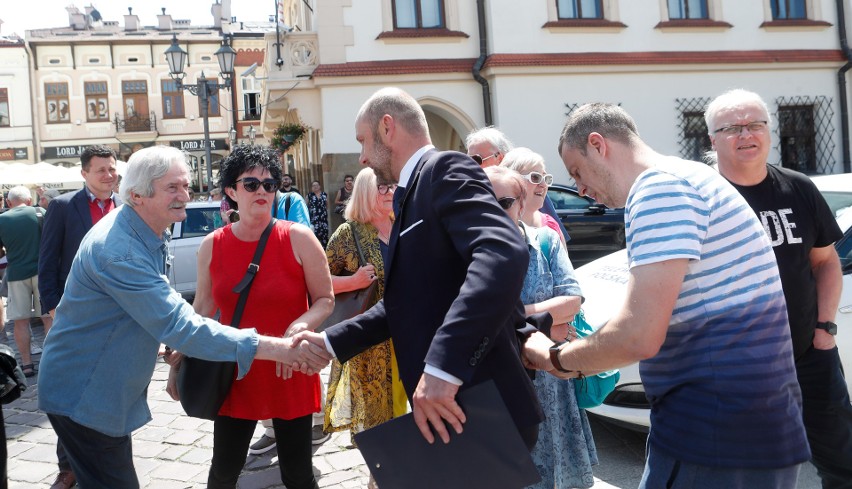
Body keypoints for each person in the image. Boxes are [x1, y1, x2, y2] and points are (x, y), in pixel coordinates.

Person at [523, 102, 810, 488]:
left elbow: (638, 334)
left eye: (577, 171)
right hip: (743, 425)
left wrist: (553, 358)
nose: (580, 189)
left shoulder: (660, 189)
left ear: (598, 144)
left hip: (716, 431)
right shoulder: (685, 176)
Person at [37, 145, 331, 489]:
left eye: (185, 186)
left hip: (103, 392)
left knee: (298, 473)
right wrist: (280, 348)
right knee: (219, 471)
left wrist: (296, 331)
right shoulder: (123, 249)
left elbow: (173, 313)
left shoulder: (143, 230)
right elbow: (185, 321)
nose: (184, 196)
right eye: (172, 188)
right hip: (89, 393)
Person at [300, 87, 546, 450]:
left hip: (480, 405)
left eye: (363, 141)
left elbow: (502, 253)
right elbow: (407, 300)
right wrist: (331, 342)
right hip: (451, 412)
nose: (363, 157)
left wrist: (444, 368)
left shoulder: (445, 169)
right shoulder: (410, 190)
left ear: (388, 128)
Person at [706, 89, 852, 488]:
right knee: (749, 470)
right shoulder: (701, 198)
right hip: (737, 365)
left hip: (809, 353)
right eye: (732, 128)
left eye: (755, 124)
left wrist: (825, 331)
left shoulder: (798, 187)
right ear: (712, 139)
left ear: (769, 132)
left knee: (843, 459)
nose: (746, 134)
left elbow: (825, 262)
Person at [165, 144, 333, 489]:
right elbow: (203, 313)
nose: (263, 191)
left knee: (299, 475)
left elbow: (325, 299)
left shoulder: (299, 237)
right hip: (234, 370)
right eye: (252, 184)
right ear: (231, 191)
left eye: (270, 185)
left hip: (290, 368)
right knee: (223, 473)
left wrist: (301, 325)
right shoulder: (213, 244)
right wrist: (178, 361)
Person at [485, 166, 596, 488]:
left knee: (552, 474)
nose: (494, 211)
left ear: (521, 204)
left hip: (549, 384)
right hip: (499, 383)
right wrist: (546, 324)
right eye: (484, 202)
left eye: (503, 202)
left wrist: (511, 317)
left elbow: (572, 300)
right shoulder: (470, 253)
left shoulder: (545, 242)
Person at [38, 145, 121, 489]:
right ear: (84, 173)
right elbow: (48, 262)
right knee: (71, 389)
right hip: (75, 316)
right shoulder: (62, 206)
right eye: (100, 169)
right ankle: (68, 464)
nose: (108, 175)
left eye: (112, 169)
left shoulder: (126, 207)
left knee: (109, 385)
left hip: (116, 315)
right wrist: (54, 308)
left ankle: (107, 452)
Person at [323, 168, 407, 444]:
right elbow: (318, 282)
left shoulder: (404, 224)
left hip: (410, 336)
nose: (390, 192)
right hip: (371, 347)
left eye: (393, 186)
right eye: (382, 187)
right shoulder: (349, 234)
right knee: (379, 422)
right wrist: (354, 282)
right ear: (365, 191)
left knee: (412, 414)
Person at [465, 126, 569, 242]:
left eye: (477, 159)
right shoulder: (472, 197)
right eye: (468, 160)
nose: (471, 166)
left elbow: (559, 244)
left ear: (499, 158)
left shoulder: (536, 194)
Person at [0, 186, 50, 378]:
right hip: (43, 272)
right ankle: (49, 359)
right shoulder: (40, 212)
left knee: (20, 322)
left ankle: (27, 365)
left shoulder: (2, 219)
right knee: (48, 317)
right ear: (29, 200)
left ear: (9, 202)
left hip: (16, 274)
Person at [501, 148, 565, 245]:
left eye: (546, 178)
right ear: (512, 182)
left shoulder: (551, 226)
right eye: (535, 177)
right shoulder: (494, 225)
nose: (544, 184)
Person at [307, 180, 330, 248]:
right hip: (314, 220)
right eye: (313, 186)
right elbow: (306, 205)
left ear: (319, 186)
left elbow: (327, 205)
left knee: (324, 236)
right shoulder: (309, 196)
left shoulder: (324, 195)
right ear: (311, 187)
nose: (315, 187)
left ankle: (325, 251)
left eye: (316, 185)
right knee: (314, 237)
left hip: (323, 220)